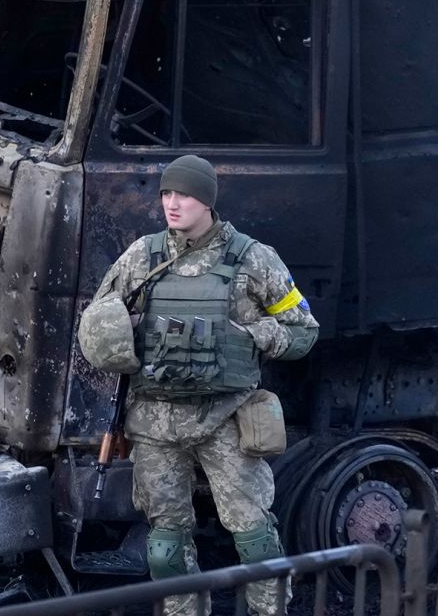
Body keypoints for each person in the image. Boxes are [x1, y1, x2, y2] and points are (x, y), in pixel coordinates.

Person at [77, 155, 319, 616]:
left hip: (225, 418)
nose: (172, 203)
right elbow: (98, 319)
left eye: (183, 195)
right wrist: (130, 332)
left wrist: (253, 336)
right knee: (166, 547)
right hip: (156, 422)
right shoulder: (142, 256)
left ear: (207, 201)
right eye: (166, 194)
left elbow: (304, 330)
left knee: (255, 538)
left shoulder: (253, 259)